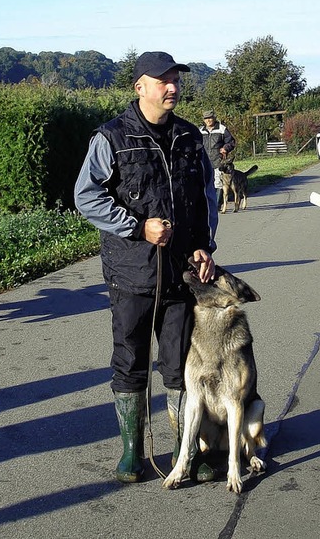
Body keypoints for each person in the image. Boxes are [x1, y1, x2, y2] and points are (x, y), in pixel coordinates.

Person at [74, 51, 219, 483]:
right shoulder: (112, 137)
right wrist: (138, 227)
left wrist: (203, 246)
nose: (172, 87)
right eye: (163, 80)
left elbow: (207, 198)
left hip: (180, 276)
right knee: (131, 361)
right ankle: (131, 454)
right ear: (140, 87)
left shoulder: (191, 137)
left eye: (175, 79)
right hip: (130, 273)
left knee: (178, 366)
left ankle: (184, 452)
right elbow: (87, 197)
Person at [199, 110, 236, 209]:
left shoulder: (222, 129)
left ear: (214, 118)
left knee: (218, 183)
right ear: (204, 120)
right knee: (204, 183)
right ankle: (207, 205)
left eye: (210, 118)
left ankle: (216, 205)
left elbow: (231, 142)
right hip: (203, 161)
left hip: (218, 160)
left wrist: (226, 148)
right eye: (206, 118)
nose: (208, 120)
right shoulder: (200, 130)